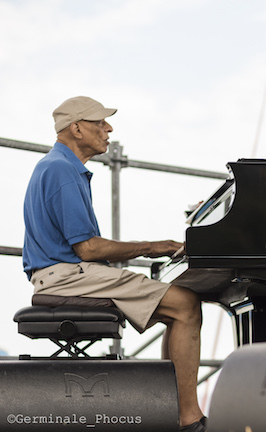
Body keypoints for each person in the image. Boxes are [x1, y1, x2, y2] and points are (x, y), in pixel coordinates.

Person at [22, 96, 207, 432]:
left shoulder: (58, 166)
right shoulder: (62, 170)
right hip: (64, 276)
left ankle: (176, 412)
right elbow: (88, 249)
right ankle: (189, 419)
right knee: (186, 303)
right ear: (76, 129)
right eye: (100, 123)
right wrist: (156, 247)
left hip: (59, 273)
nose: (109, 129)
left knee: (176, 308)